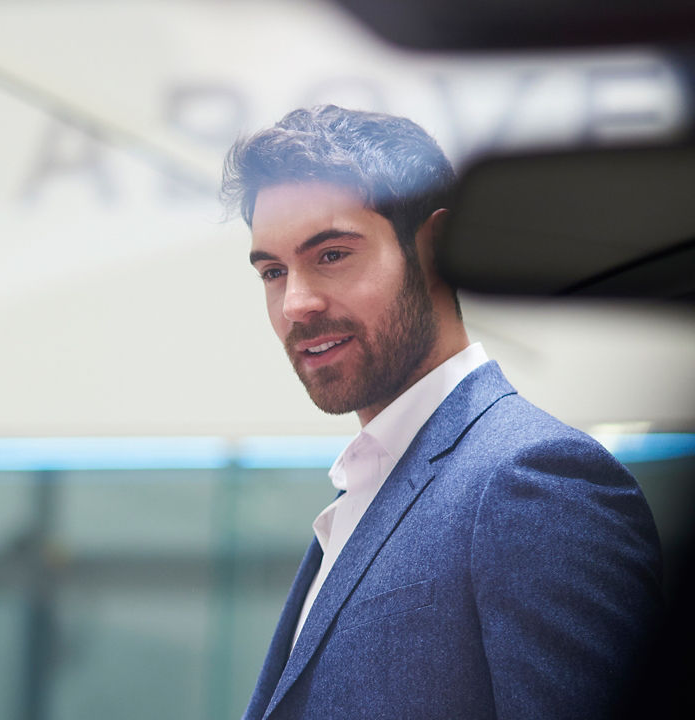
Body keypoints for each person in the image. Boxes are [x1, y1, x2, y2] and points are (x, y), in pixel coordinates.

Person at [222, 105, 662, 720]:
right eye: (273, 271)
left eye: (331, 255)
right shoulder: (364, 492)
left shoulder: (533, 481)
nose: (296, 302)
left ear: (435, 250)